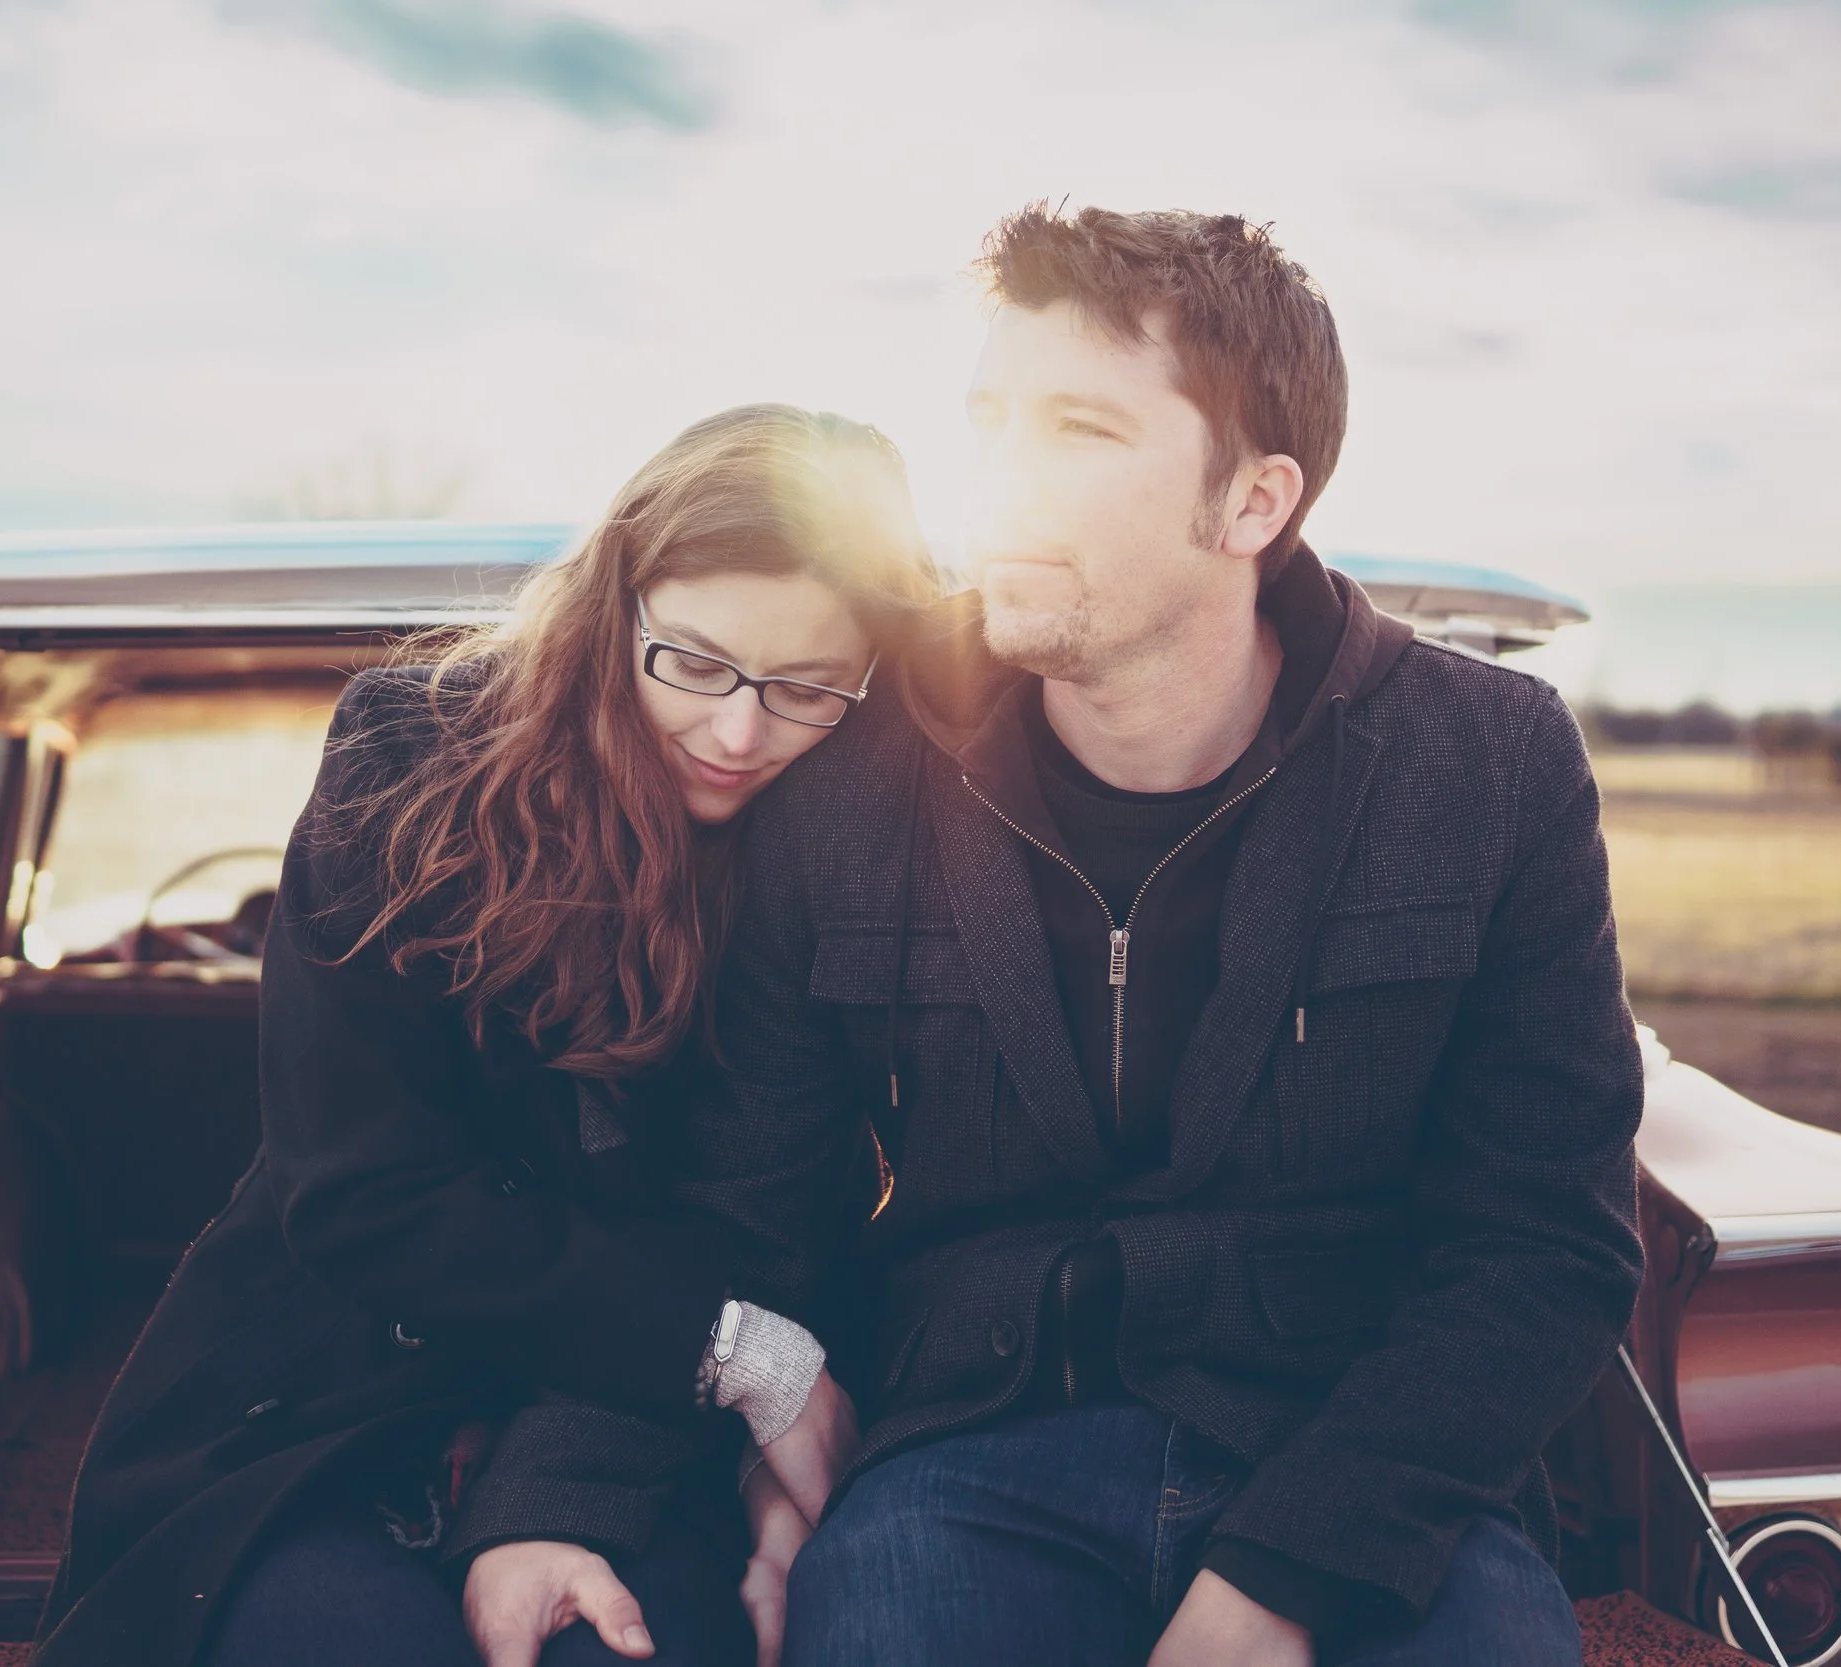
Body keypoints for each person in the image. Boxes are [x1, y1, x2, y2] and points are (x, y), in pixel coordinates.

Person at [687, 207, 1647, 1665]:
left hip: (1363, 1469)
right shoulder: (852, 774)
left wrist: (1286, 1576)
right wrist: (745, 1470)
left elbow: (1544, 1239)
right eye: (989, 421)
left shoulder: (1487, 762)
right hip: (963, 1459)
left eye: (1079, 429)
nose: (1001, 481)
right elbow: (749, 1199)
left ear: (1253, 502)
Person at [32, 404, 938, 1667]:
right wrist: (734, 1348)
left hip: (634, 1426)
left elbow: (770, 1196)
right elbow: (364, 1189)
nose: (740, 734)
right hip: (334, 1393)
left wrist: (615, 1458)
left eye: (804, 685)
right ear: (613, 603)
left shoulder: (847, 819)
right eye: (693, 662)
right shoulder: (411, 760)